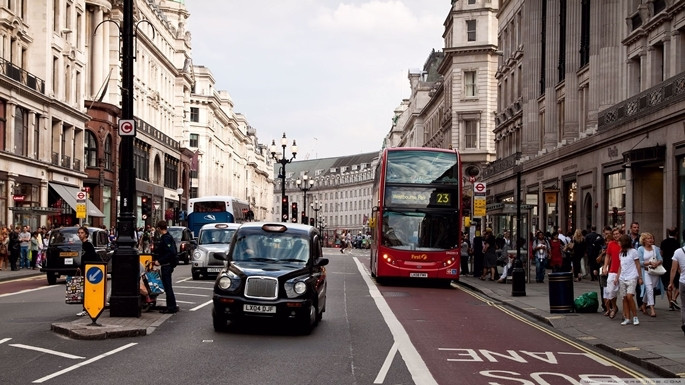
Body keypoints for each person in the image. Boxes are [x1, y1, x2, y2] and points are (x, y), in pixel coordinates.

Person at [616, 234, 643, 326]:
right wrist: (617, 277)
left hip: (632, 277)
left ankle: (635, 316)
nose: (618, 243)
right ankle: (627, 318)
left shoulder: (633, 252)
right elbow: (620, 266)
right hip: (622, 278)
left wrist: (640, 277)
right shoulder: (620, 253)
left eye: (620, 241)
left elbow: (638, 265)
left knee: (629, 296)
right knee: (624, 298)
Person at [154, 220, 178, 314]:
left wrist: (160, 261)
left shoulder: (166, 238)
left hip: (166, 265)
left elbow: (171, 252)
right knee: (168, 286)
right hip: (168, 265)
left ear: (159, 228)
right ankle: (172, 305)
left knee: (168, 286)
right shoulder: (168, 237)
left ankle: (171, 307)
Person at [637, 232, 663, 317]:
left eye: (651, 238)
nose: (650, 240)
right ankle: (652, 309)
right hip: (646, 271)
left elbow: (660, 259)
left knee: (650, 289)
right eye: (648, 238)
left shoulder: (655, 248)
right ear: (644, 240)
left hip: (655, 272)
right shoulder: (640, 249)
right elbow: (639, 262)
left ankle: (643, 305)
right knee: (649, 288)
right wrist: (649, 263)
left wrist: (657, 263)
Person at [603, 227, 622, 319]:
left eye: (617, 234)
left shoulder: (625, 244)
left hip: (624, 271)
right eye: (614, 234)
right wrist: (605, 267)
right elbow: (607, 256)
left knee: (624, 293)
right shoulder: (610, 244)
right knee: (611, 291)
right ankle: (614, 307)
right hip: (613, 270)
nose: (615, 236)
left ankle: (625, 313)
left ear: (621, 234)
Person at [660, 227, 681, 311]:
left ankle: (670, 303)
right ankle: (674, 298)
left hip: (666, 264)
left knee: (668, 284)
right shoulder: (677, 243)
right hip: (675, 264)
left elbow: (661, 253)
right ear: (676, 233)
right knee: (678, 284)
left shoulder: (664, 242)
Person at [667, 243, 685, 336]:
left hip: (683, 282)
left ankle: (684, 323)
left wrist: (671, 282)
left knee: (683, 306)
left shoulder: (678, 252)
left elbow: (674, 269)